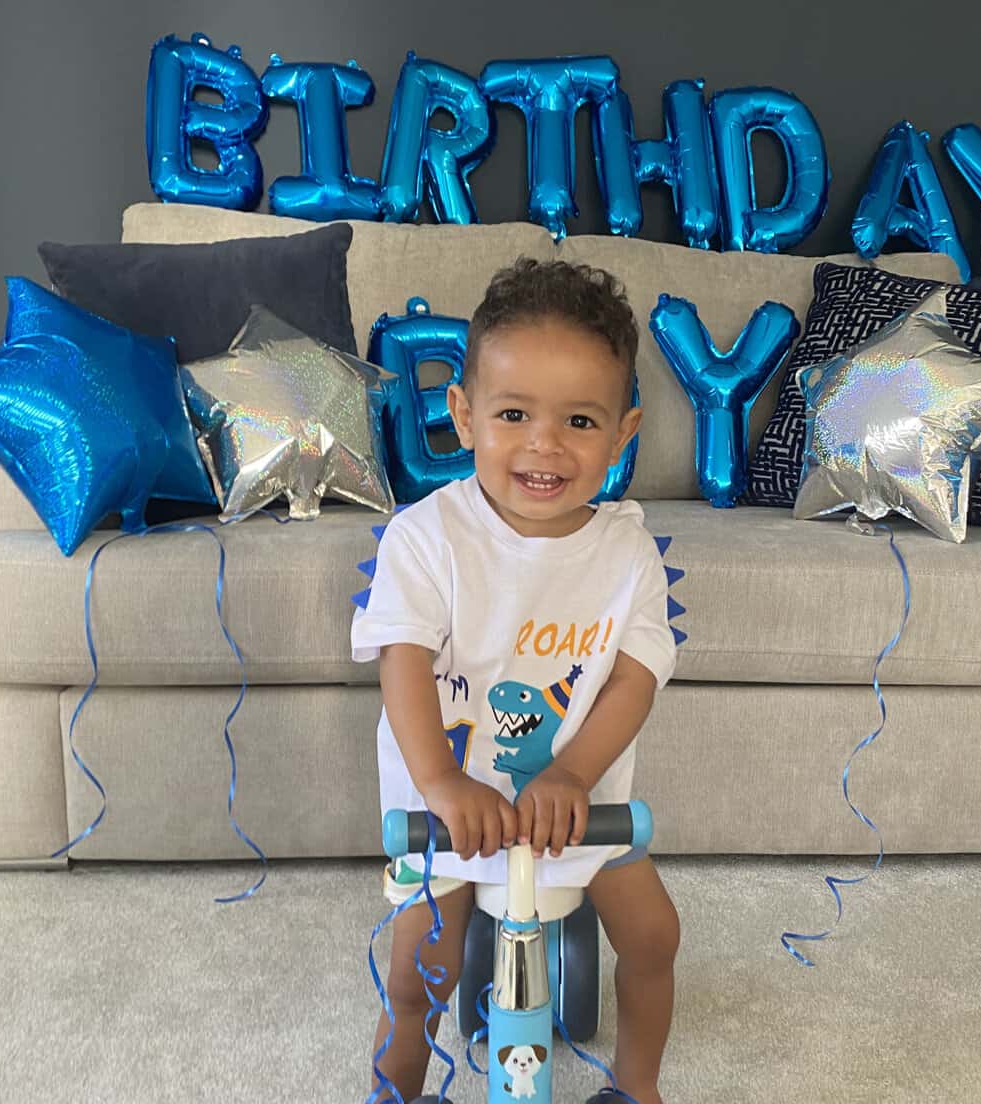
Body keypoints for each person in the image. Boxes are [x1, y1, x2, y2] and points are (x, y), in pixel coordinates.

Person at [351, 257, 680, 1104]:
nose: (544, 444)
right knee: (419, 964)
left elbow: (634, 679)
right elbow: (403, 660)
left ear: (622, 432)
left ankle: (637, 1087)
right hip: (452, 816)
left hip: (577, 807)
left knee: (654, 935)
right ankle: (398, 1088)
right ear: (463, 415)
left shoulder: (626, 552)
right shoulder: (427, 539)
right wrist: (441, 783)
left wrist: (573, 772)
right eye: (512, 414)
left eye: (579, 419)